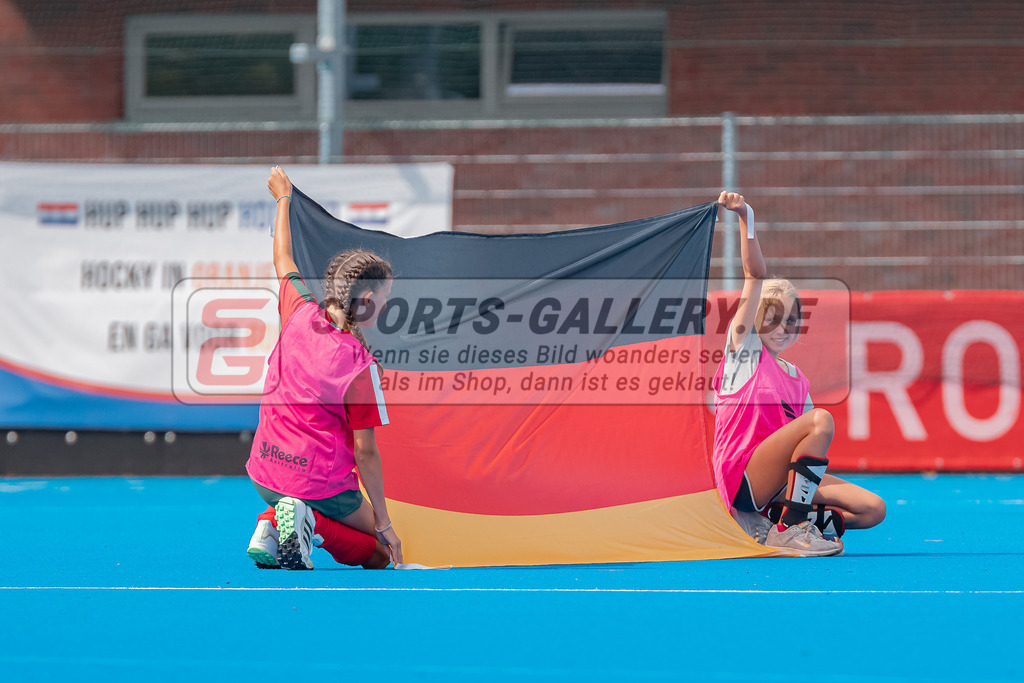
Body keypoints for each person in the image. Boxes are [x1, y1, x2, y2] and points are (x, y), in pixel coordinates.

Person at [244, 165, 403, 570]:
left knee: (295, 500)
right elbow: (366, 454)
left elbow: (283, 257)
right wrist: (384, 523)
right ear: (366, 297)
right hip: (316, 484)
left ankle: (271, 521)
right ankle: (310, 520)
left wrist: (283, 199)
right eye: (385, 298)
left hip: (264, 473)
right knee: (382, 554)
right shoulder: (358, 364)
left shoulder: (297, 311)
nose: (385, 306)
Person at [713, 191, 886, 556]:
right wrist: (746, 216)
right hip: (741, 479)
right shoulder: (744, 352)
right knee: (821, 420)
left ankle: (785, 516)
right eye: (773, 318)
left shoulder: (797, 378)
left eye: (791, 320)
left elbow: (802, 453)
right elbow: (754, 274)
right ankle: (790, 528)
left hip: (775, 484)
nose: (783, 327)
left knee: (873, 509)